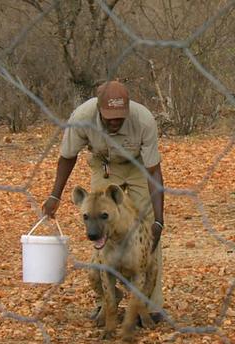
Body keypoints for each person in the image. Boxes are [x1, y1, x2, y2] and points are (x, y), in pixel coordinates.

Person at [42, 80, 165, 323]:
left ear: (128, 110)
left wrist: (159, 220)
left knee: (148, 228)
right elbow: (67, 157)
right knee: (98, 224)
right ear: (98, 110)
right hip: (105, 164)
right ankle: (105, 299)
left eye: (120, 117)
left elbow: (153, 171)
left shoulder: (143, 119)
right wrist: (55, 195)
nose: (115, 121)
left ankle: (150, 305)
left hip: (139, 166)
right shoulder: (82, 117)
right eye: (109, 117)